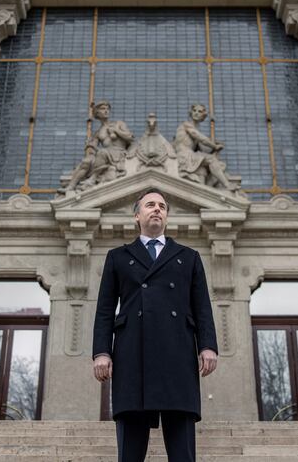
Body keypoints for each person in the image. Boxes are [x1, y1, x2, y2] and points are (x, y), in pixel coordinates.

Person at [92, 189, 218, 462]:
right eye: (150, 205)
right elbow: (104, 310)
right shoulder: (118, 257)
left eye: (162, 206)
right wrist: (102, 352)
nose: (157, 209)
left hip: (178, 354)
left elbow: (202, 307)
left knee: (182, 450)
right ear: (137, 215)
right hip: (132, 355)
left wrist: (208, 346)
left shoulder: (189, 256)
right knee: (130, 451)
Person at [174, 104, 237, 191]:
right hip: (184, 156)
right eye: (194, 110)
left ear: (203, 116)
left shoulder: (194, 129)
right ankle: (227, 185)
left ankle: (208, 189)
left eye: (199, 111)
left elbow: (202, 149)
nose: (196, 113)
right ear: (191, 113)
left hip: (189, 156)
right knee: (211, 160)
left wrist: (215, 149)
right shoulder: (186, 125)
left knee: (219, 164)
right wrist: (214, 146)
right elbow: (200, 138)